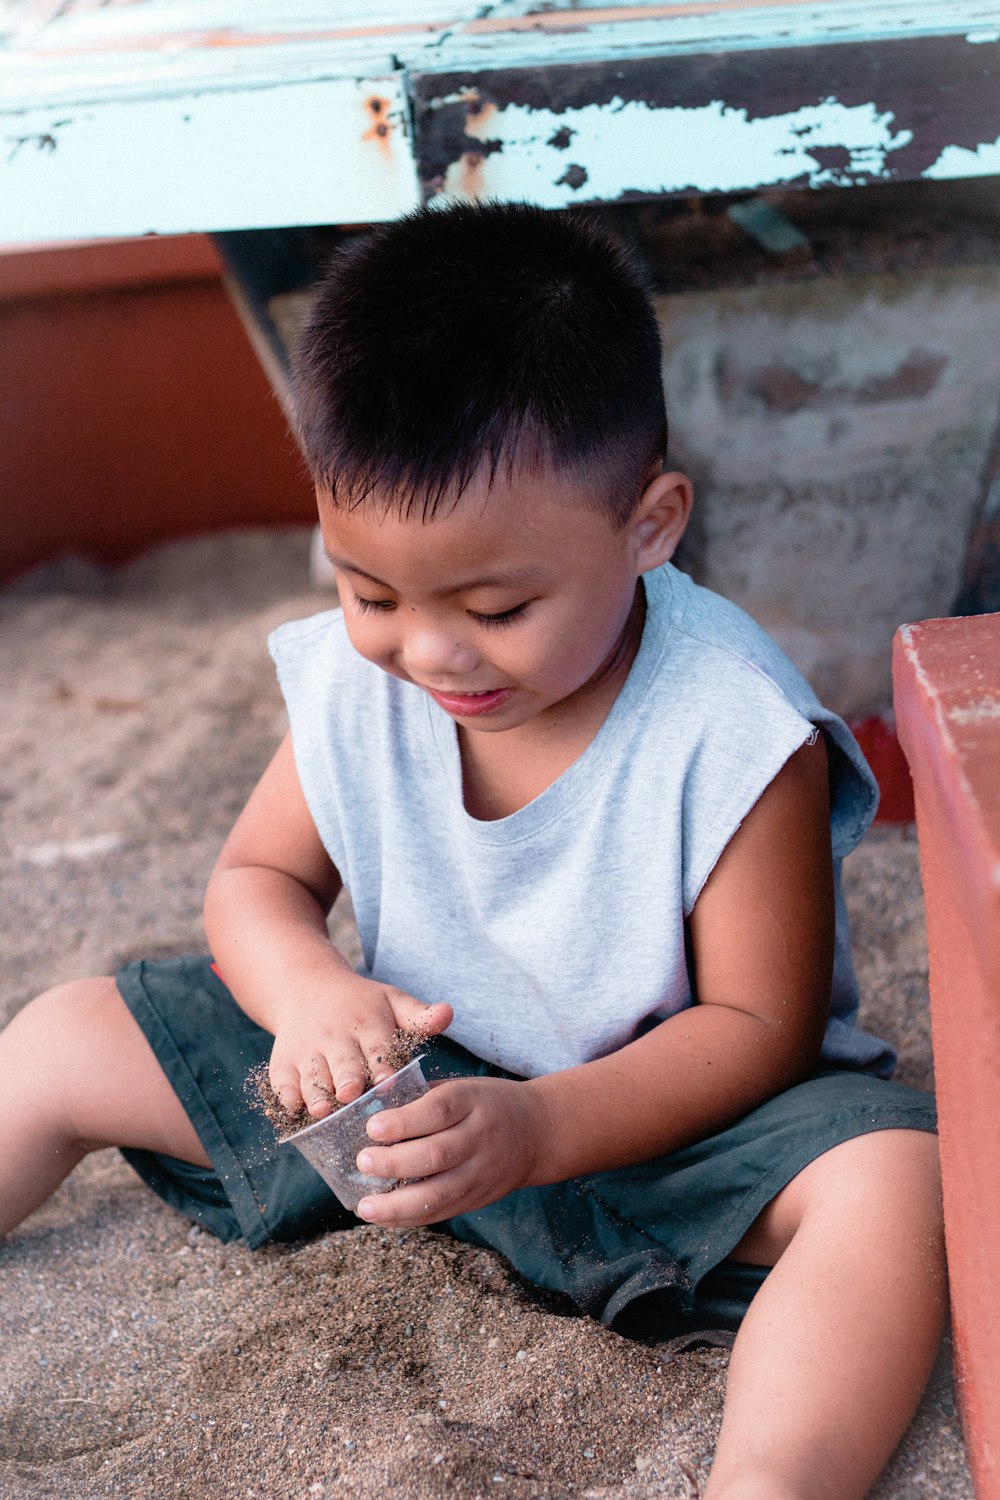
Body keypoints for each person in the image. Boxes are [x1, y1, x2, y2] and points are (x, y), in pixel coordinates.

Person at [1, 202, 944, 1499]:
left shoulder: (731, 727)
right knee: (62, 1033)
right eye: (369, 591)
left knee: (898, 1181)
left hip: (654, 1131)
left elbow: (758, 1025)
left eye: (497, 607)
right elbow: (258, 883)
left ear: (651, 524)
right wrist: (311, 998)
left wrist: (544, 1128)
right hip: (402, 1106)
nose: (431, 652)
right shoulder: (360, 679)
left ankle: (775, 1477)